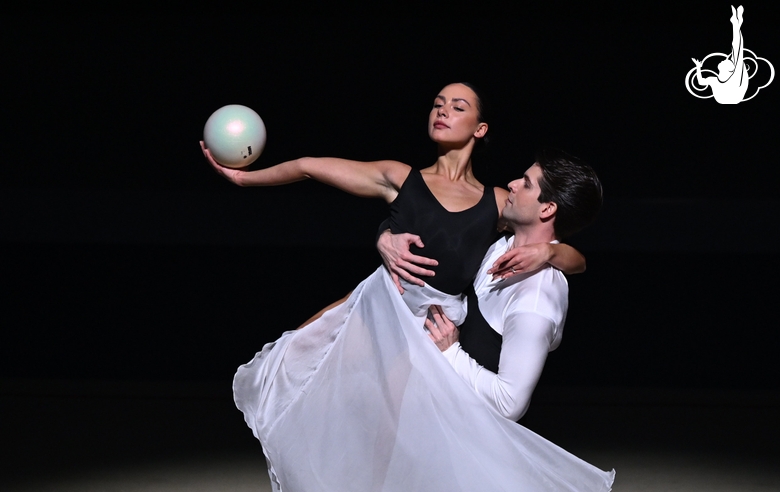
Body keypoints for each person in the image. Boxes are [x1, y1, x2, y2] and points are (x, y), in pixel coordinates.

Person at [203, 83, 612, 490]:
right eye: (437, 103)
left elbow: (574, 256)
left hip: (430, 325)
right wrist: (245, 181)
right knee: (293, 366)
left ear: (480, 128)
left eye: (457, 106)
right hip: (383, 303)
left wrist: (550, 255)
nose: (443, 110)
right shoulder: (400, 177)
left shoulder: (499, 201)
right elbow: (309, 165)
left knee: (390, 437)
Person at [380, 149, 603, 423]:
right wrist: (386, 235)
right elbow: (436, 221)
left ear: (547, 209)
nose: (512, 183)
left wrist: (451, 353)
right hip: (428, 412)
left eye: (526, 183)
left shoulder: (536, 298)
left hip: (466, 442)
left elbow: (509, 404)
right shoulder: (500, 241)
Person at [692, 5, 748, 104]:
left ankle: (736, 24)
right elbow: (700, 82)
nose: (724, 59)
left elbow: (738, 49)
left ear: (729, 69)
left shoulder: (728, 78)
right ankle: (736, 24)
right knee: (737, 52)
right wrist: (698, 67)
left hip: (732, 96)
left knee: (737, 51)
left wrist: (698, 68)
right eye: (728, 60)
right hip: (731, 97)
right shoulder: (716, 79)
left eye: (727, 61)